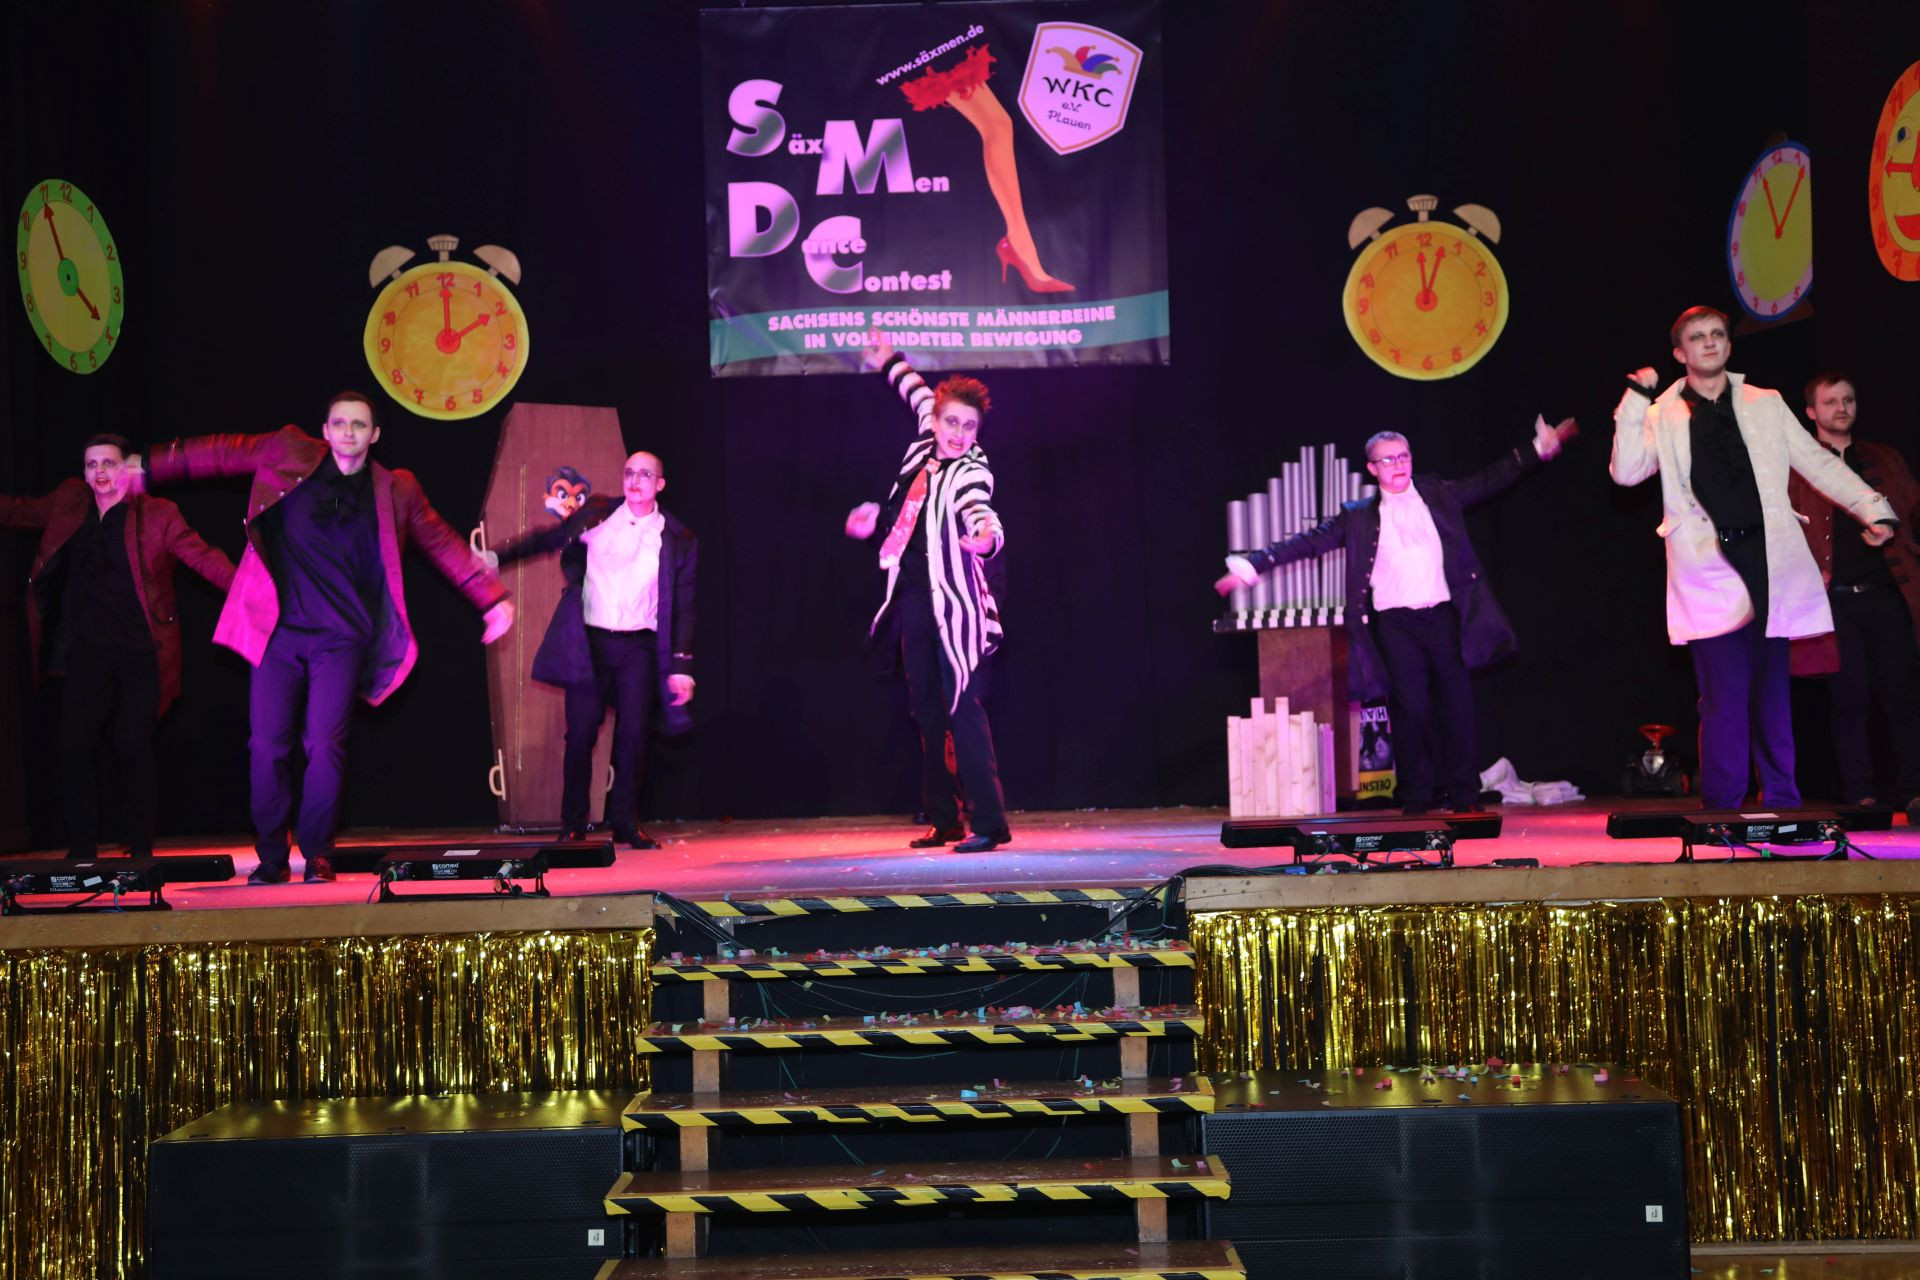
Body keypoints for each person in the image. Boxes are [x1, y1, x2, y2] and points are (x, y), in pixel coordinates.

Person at [143, 392, 514, 883]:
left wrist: (490, 597)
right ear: (325, 429)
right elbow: (220, 452)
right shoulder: (288, 454)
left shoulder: (395, 489)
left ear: (374, 435)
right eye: (339, 423)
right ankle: (272, 856)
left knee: (324, 742)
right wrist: (145, 466)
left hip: (342, 638)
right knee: (266, 745)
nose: (348, 432)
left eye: (358, 425)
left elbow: (441, 540)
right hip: (277, 633)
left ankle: (317, 851)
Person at [1611, 308, 1897, 810]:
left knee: (1772, 695)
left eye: (1717, 334)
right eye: (1697, 337)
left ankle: (1783, 805)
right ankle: (1723, 809)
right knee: (1724, 697)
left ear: (1728, 344)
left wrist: (1872, 508)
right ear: (1680, 353)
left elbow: (1815, 462)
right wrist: (1634, 400)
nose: (1709, 342)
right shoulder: (1662, 412)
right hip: (1707, 567)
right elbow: (1627, 471)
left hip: (1768, 559)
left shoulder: (1765, 402)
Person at [1215, 417, 1573, 814]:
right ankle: (1417, 797)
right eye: (1387, 460)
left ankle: (1465, 796)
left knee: (1457, 705)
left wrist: (1536, 450)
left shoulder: (1437, 494)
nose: (1398, 464)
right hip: (1396, 625)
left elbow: (1488, 480)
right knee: (1411, 709)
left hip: (1442, 615)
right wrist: (1253, 565)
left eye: (1403, 456)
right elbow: (1307, 543)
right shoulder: (1358, 516)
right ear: (1372, 468)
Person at [0, 434, 235, 858]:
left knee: (131, 742)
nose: (100, 473)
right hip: (86, 653)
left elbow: (202, 557)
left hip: (141, 652)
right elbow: (20, 510)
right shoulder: (70, 502)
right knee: (72, 747)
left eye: (108, 463)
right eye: (92, 465)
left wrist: (250, 589)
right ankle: (82, 849)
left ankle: (140, 848)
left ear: (126, 468)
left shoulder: (157, 514)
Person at [846, 333, 1010, 852]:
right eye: (952, 423)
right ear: (936, 422)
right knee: (925, 709)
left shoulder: (972, 469)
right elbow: (916, 390)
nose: (959, 434)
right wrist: (888, 360)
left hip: (956, 604)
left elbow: (981, 508)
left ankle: (990, 824)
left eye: (969, 426)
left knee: (964, 707)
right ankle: (945, 819)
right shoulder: (923, 440)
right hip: (914, 599)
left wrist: (985, 537)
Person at [490, 451, 696, 848]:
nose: (635, 480)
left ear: (660, 484)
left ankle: (625, 822)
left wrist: (681, 666)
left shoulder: (677, 538)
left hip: (640, 646)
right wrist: (498, 556)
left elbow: (684, 607)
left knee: (634, 735)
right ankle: (573, 822)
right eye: (629, 472)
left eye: (645, 474)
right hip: (590, 642)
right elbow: (547, 539)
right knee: (581, 731)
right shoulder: (598, 515)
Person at [1787, 372, 1920, 820]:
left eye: (1847, 400)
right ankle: (1860, 794)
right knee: (1849, 697)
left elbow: (1913, 511)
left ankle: (1914, 790)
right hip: (1834, 600)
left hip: (1886, 592)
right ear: (1811, 411)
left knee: (1902, 694)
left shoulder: (1883, 458)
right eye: (1831, 402)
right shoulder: (1798, 465)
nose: (1841, 408)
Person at [897, 43, 1072, 293]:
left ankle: (1020, 242)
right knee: (996, 126)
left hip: (937, 35)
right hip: (926, 39)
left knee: (997, 126)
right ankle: (1020, 242)